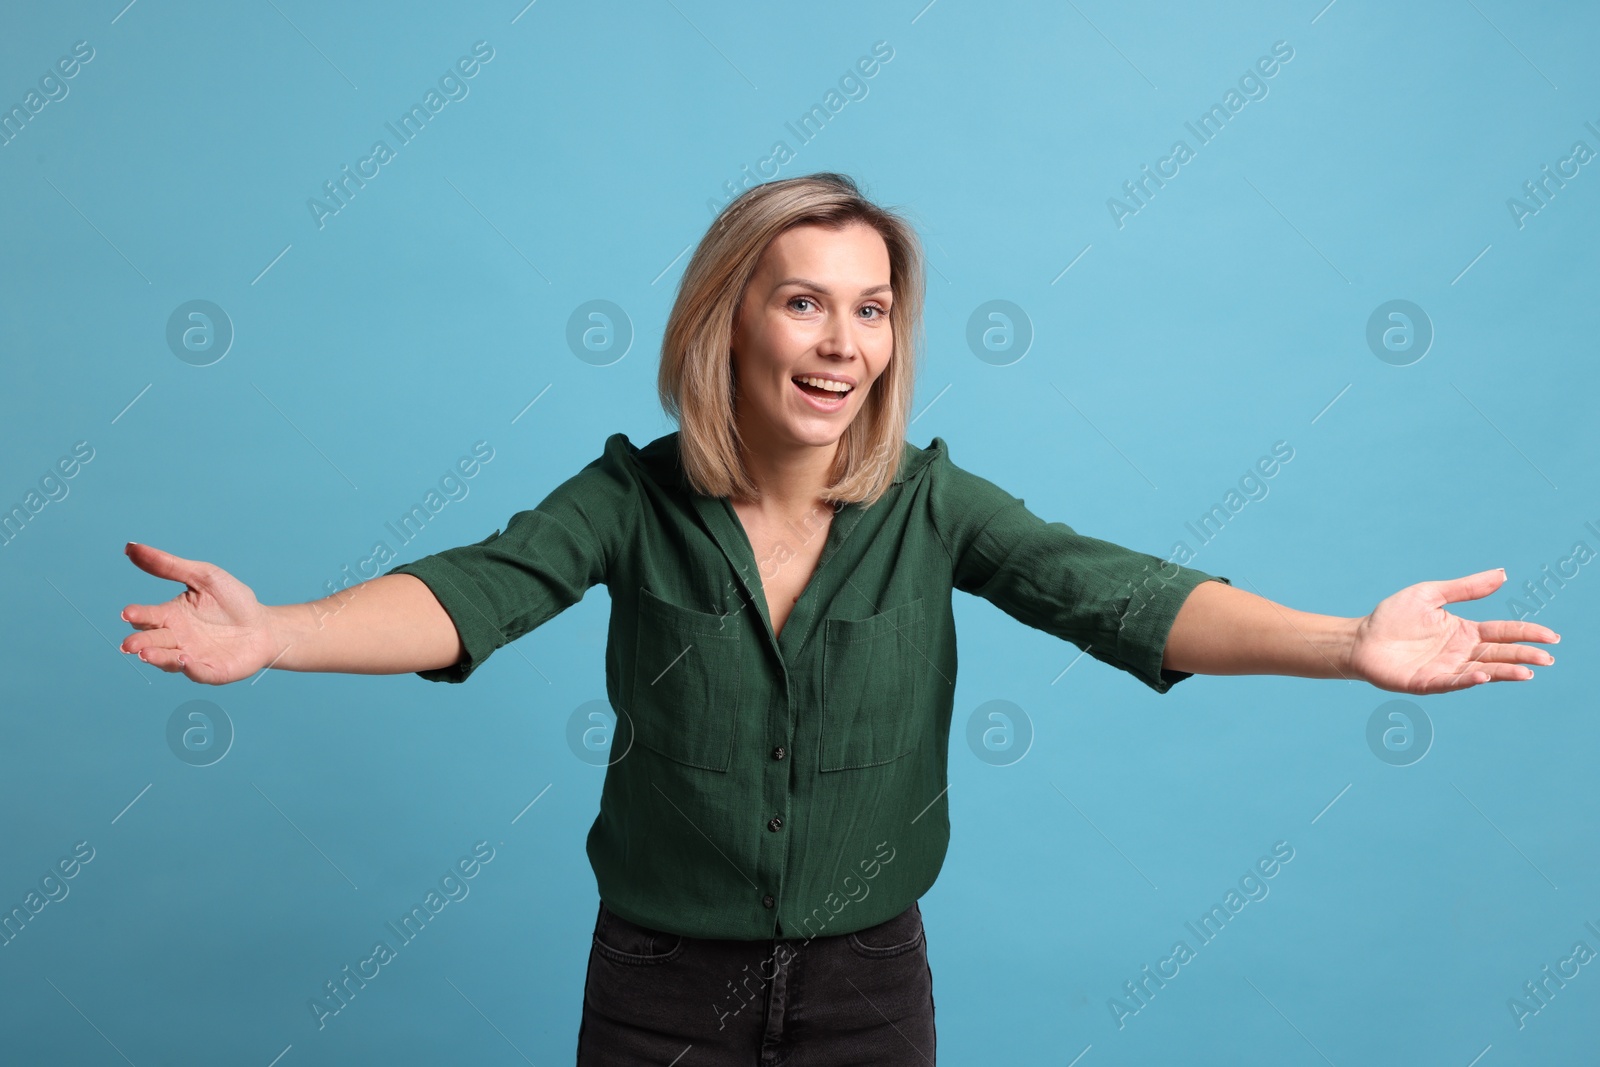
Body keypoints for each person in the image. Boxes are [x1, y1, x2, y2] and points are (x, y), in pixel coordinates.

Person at [118, 172, 1560, 1065]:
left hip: (872, 980)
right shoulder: (629, 497)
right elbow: (471, 593)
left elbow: (1125, 596)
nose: (841, 344)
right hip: (656, 981)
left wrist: (1341, 644)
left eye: (869, 312)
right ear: (728, 323)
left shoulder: (935, 509)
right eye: (804, 304)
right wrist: (278, 633)